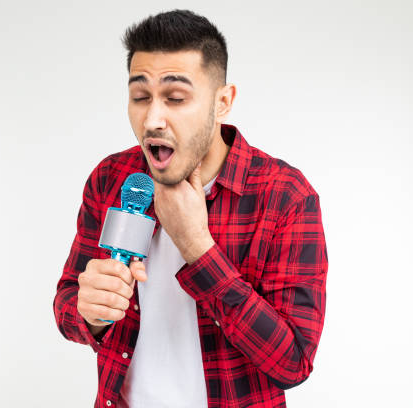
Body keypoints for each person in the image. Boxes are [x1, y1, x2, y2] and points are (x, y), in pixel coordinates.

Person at [53, 9, 328, 408]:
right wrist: (90, 312)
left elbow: (292, 363)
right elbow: (67, 307)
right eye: (140, 97)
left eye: (176, 98)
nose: (153, 119)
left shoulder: (285, 196)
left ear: (222, 102)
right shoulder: (112, 178)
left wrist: (198, 246)